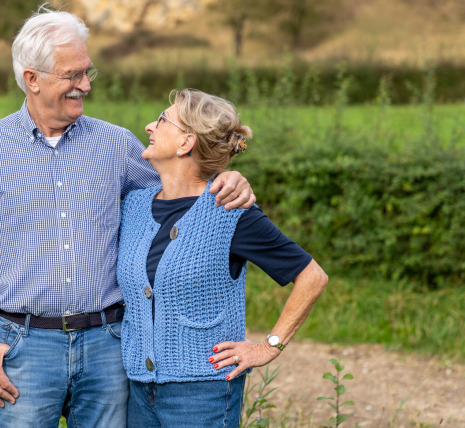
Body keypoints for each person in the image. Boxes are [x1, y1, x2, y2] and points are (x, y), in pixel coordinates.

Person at [0, 7, 255, 428]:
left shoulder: (116, 144)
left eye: (88, 72)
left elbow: (185, 188)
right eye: (72, 75)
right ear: (32, 79)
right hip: (21, 348)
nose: (84, 85)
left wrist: (228, 177)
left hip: (109, 344)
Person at [117, 88, 329, 428]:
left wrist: (269, 347)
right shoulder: (134, 206)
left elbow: (312, 276)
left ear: (186, 142)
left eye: (161, 120)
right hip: (136, 390)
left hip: (202, 395)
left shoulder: (230, 212)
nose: (148, 126)